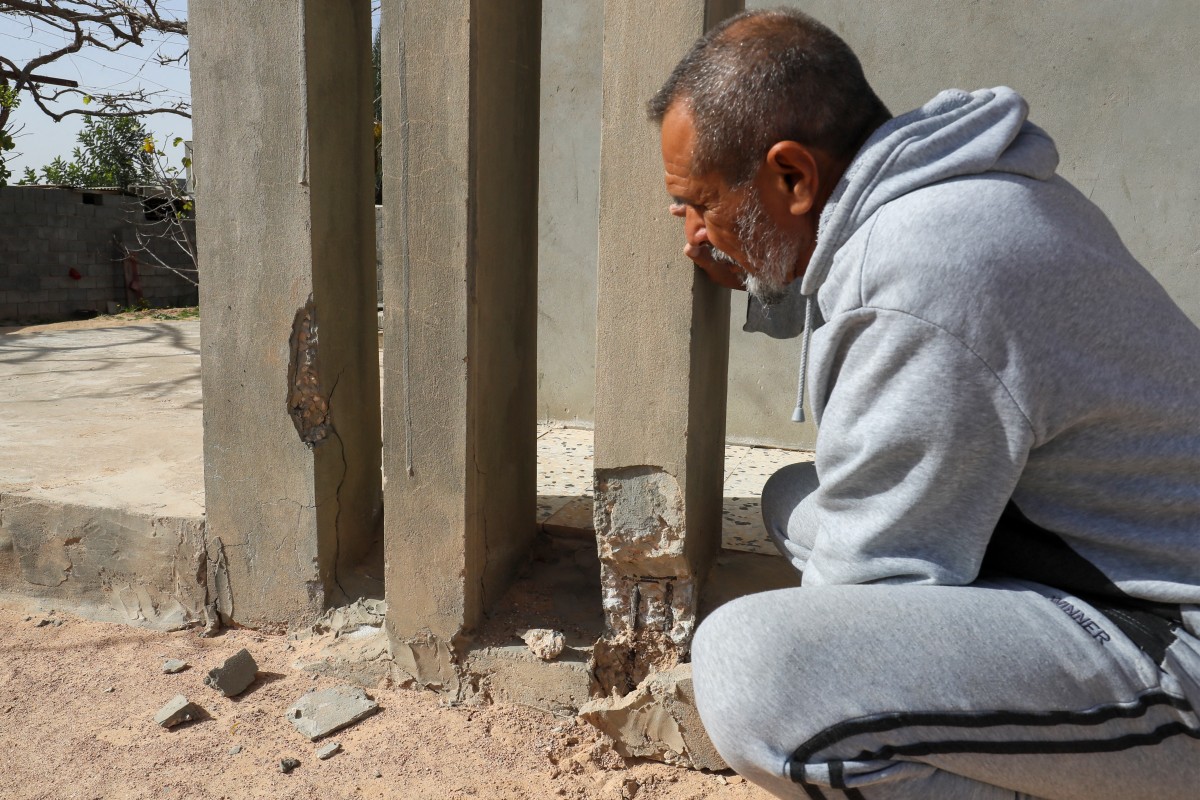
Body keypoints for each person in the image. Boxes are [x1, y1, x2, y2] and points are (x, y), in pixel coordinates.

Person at [651, 8, 1200, 800]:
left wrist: (823, 673)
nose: (694, 232)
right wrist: (755, 253)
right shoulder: (960, 192)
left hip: (1174, 645)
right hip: (1122, 570)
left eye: (701, 202)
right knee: (796, 499)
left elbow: (869, 591)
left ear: (793, 177)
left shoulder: (921, 278)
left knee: (757, 673)